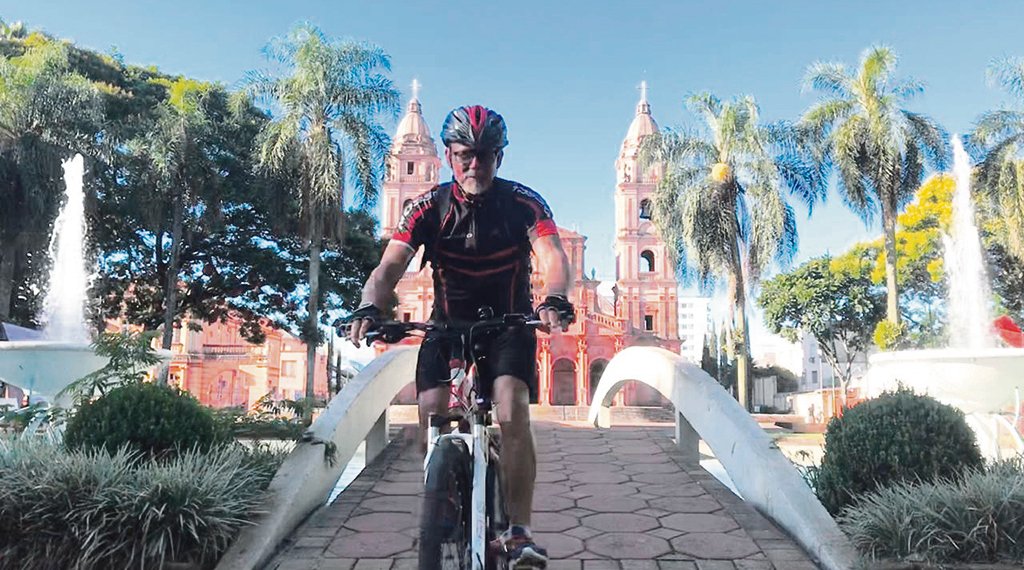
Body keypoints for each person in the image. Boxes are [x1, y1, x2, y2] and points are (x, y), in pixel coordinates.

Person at [344, 105, 573, 568]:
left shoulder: (524, 203)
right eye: (466, 155)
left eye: (485, 155)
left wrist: (555, 297)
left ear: (499, 158)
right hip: (447, 325)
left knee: (510, 409)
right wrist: (370, 305)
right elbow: (389, 266)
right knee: (430, 412)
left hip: (509, 324)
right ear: (449, 157)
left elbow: (552, 255)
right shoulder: (426, 208)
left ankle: (520, 531)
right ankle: (442, 496)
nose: (475, 165)